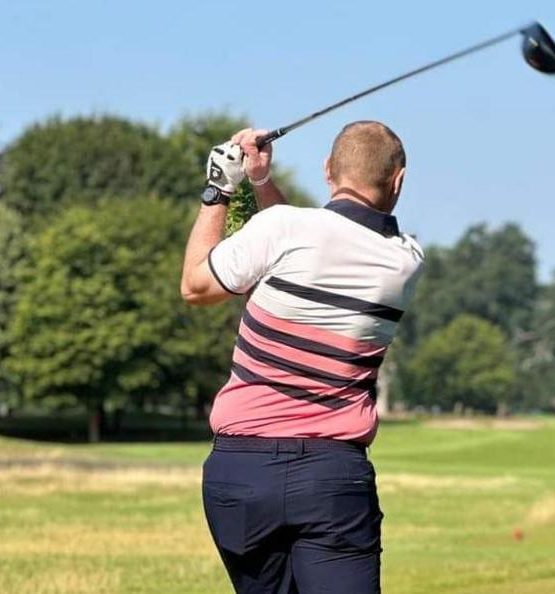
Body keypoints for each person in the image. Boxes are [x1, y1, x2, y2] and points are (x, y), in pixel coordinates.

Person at [180, 121, 425, 593]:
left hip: (240, 473)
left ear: (328, 171)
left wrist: (220, 186)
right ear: (398, 181)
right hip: (332, 477)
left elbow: (195, 285)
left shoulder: (281, 228)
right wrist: (262, 183)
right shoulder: (405, 261)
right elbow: (315, 240)